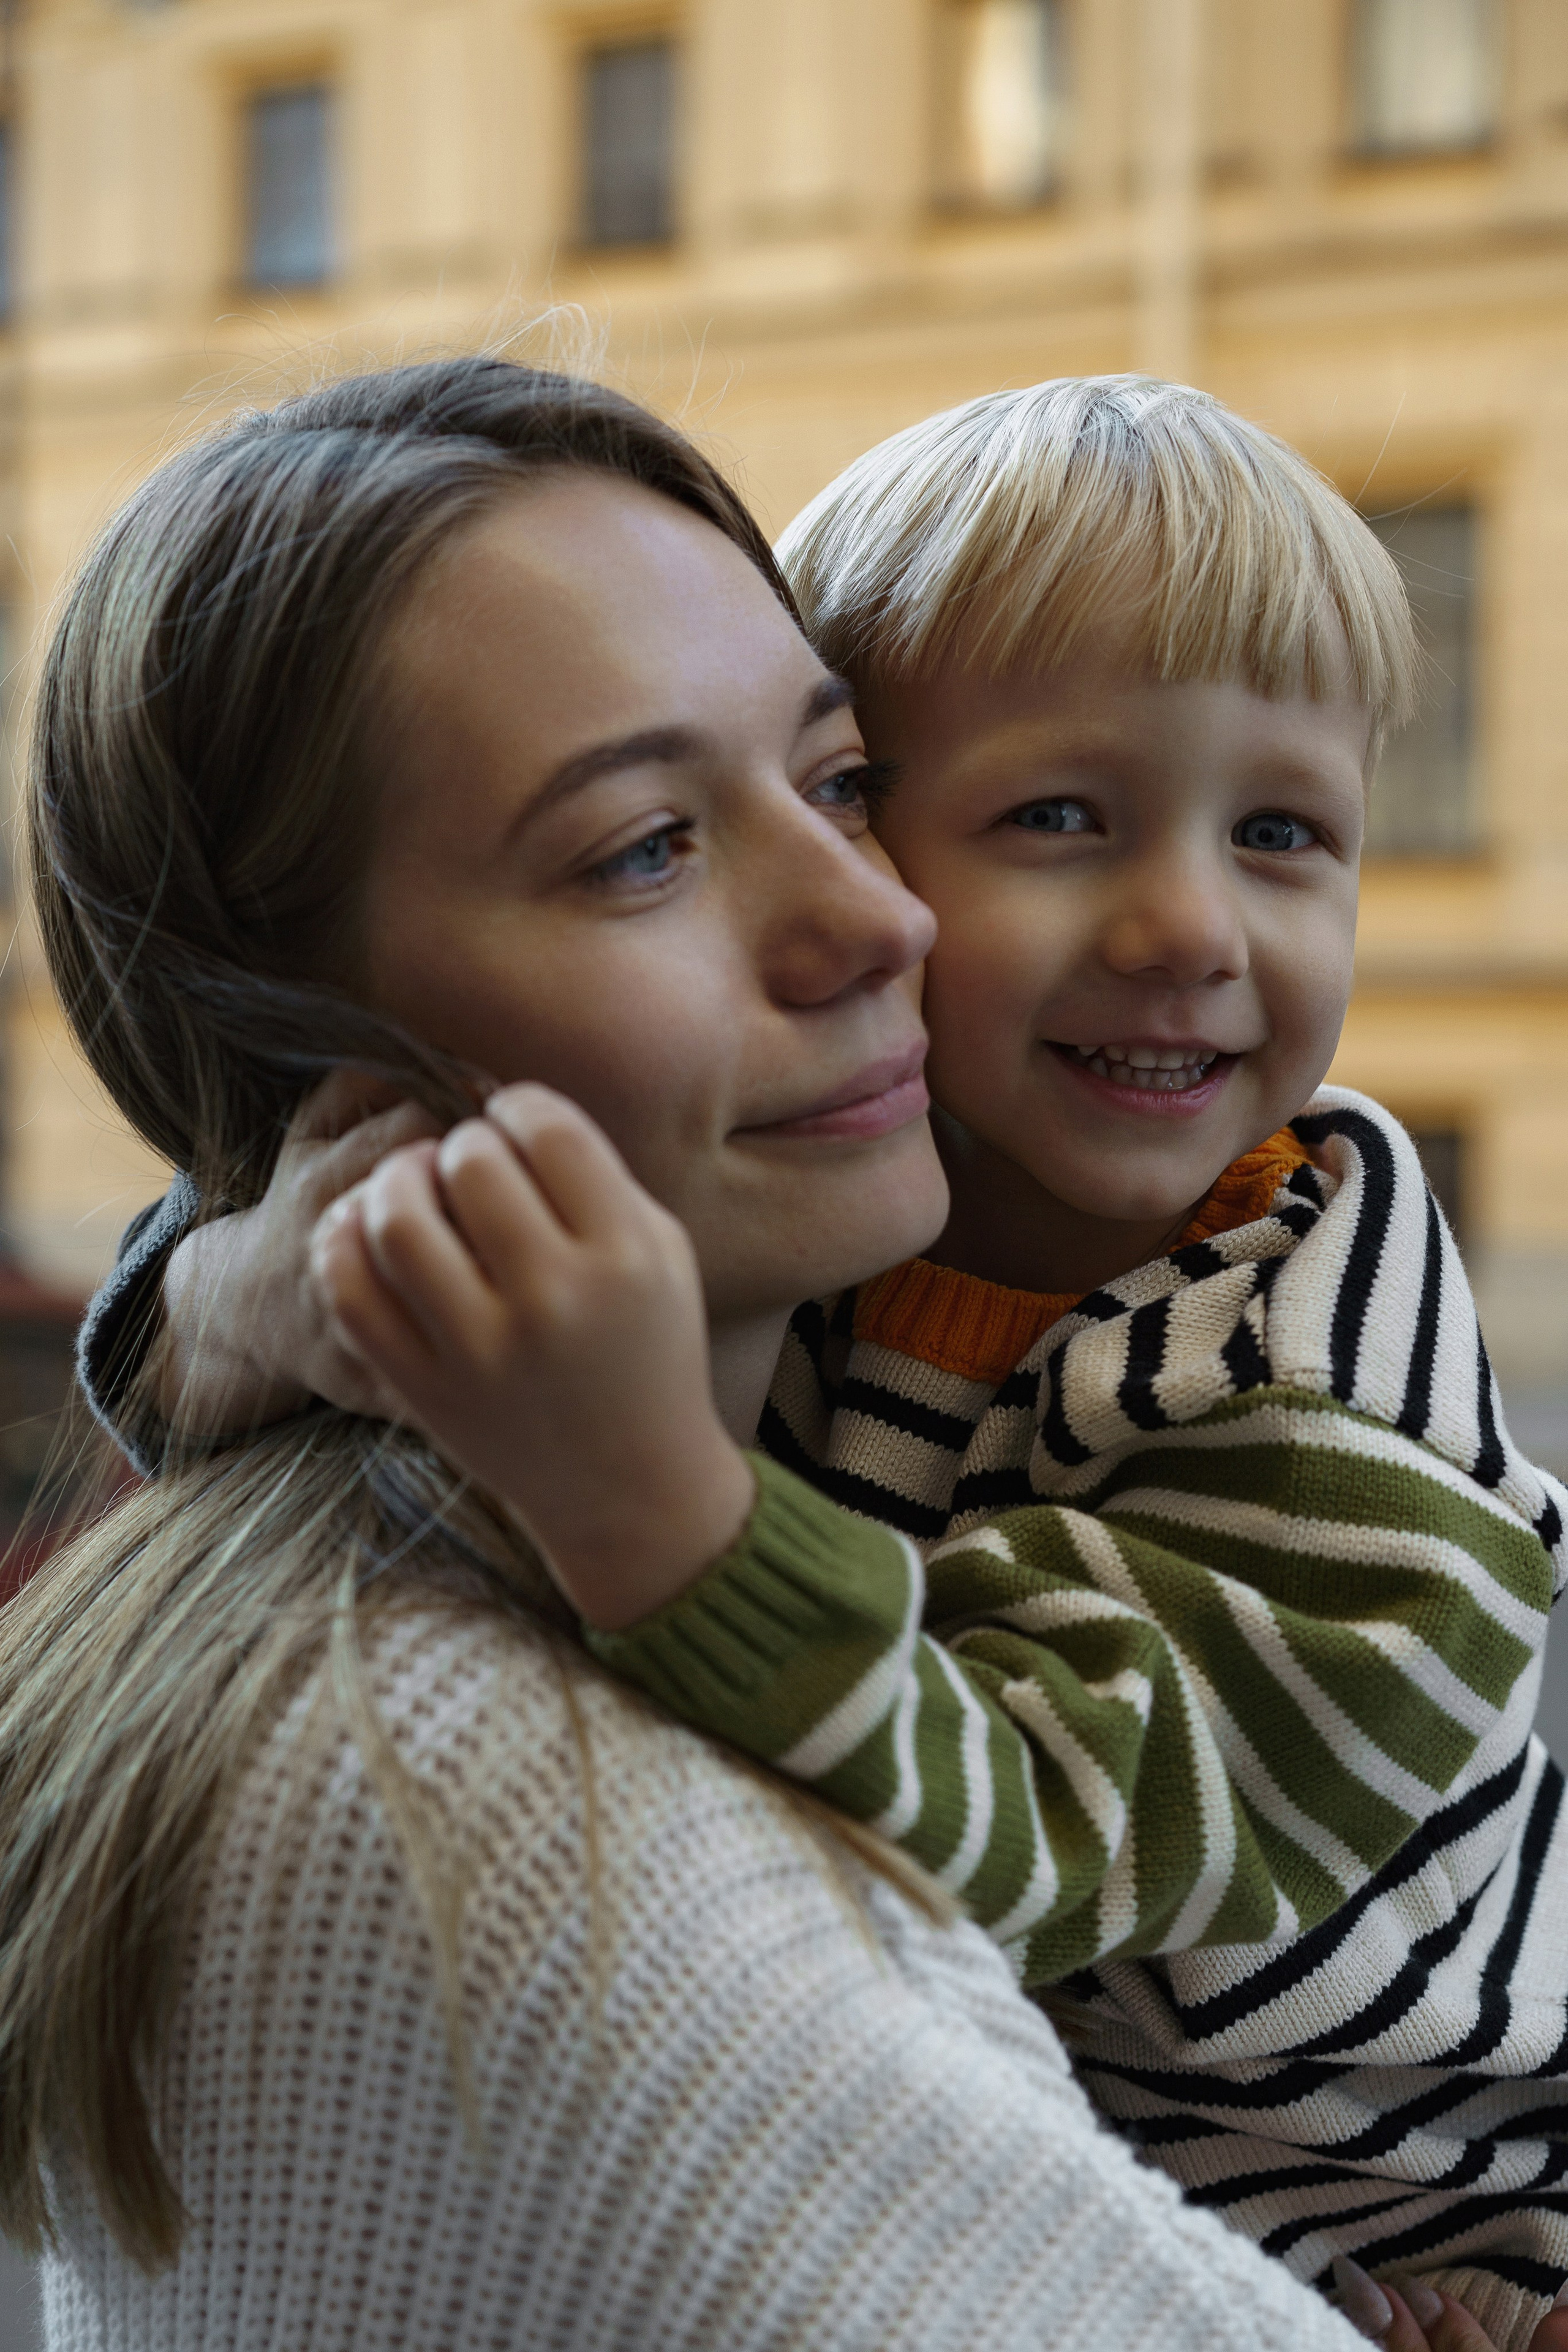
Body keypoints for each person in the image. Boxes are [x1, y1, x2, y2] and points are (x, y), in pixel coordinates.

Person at [73, 379, 1568, 2347]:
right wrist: (259, 1280)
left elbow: (1018, 1825)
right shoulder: (481, 1808)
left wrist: (644, 1499)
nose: (1191, 922)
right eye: (644, 847)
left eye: (836, 783)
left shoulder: (1347, 1450)